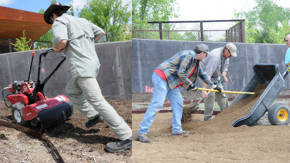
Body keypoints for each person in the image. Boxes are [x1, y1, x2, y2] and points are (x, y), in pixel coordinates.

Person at [44, 3, 132, 153]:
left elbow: (62, 41)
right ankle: (93, 115)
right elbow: (101, 32)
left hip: (81, 67)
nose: (52, 22)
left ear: (53, 16)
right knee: (71, 90)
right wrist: (86, 46)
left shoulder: (59, 21)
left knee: (97, 100)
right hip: (92, 64)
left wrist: (57, 49)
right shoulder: (83, 21)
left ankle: (126, 136)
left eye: (51, 20)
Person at [136, 44, 218, 143]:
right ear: (202, 53)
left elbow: (202, 74)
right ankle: (141, 132)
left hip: (171, 81)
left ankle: (177, 130)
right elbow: (181, 73)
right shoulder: (189, 55)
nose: (206, 57)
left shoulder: (196, 61)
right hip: (162, 76)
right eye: (206, 55)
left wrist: (213, 85)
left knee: (178, 103)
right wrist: (190, 84)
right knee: (157, 103)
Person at [200, 43, 237, 121]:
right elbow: (207, 74)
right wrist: (204, 89)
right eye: (230, 54)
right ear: (226, 50)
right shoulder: (215, 57)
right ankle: (207, 118)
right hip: (206, 74)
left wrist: (223, 75)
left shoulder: (227, 56)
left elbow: (225, 68)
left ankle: (226, 115)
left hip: (216, 76)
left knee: (221, 94)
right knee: (210, 96)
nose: (231, 56)